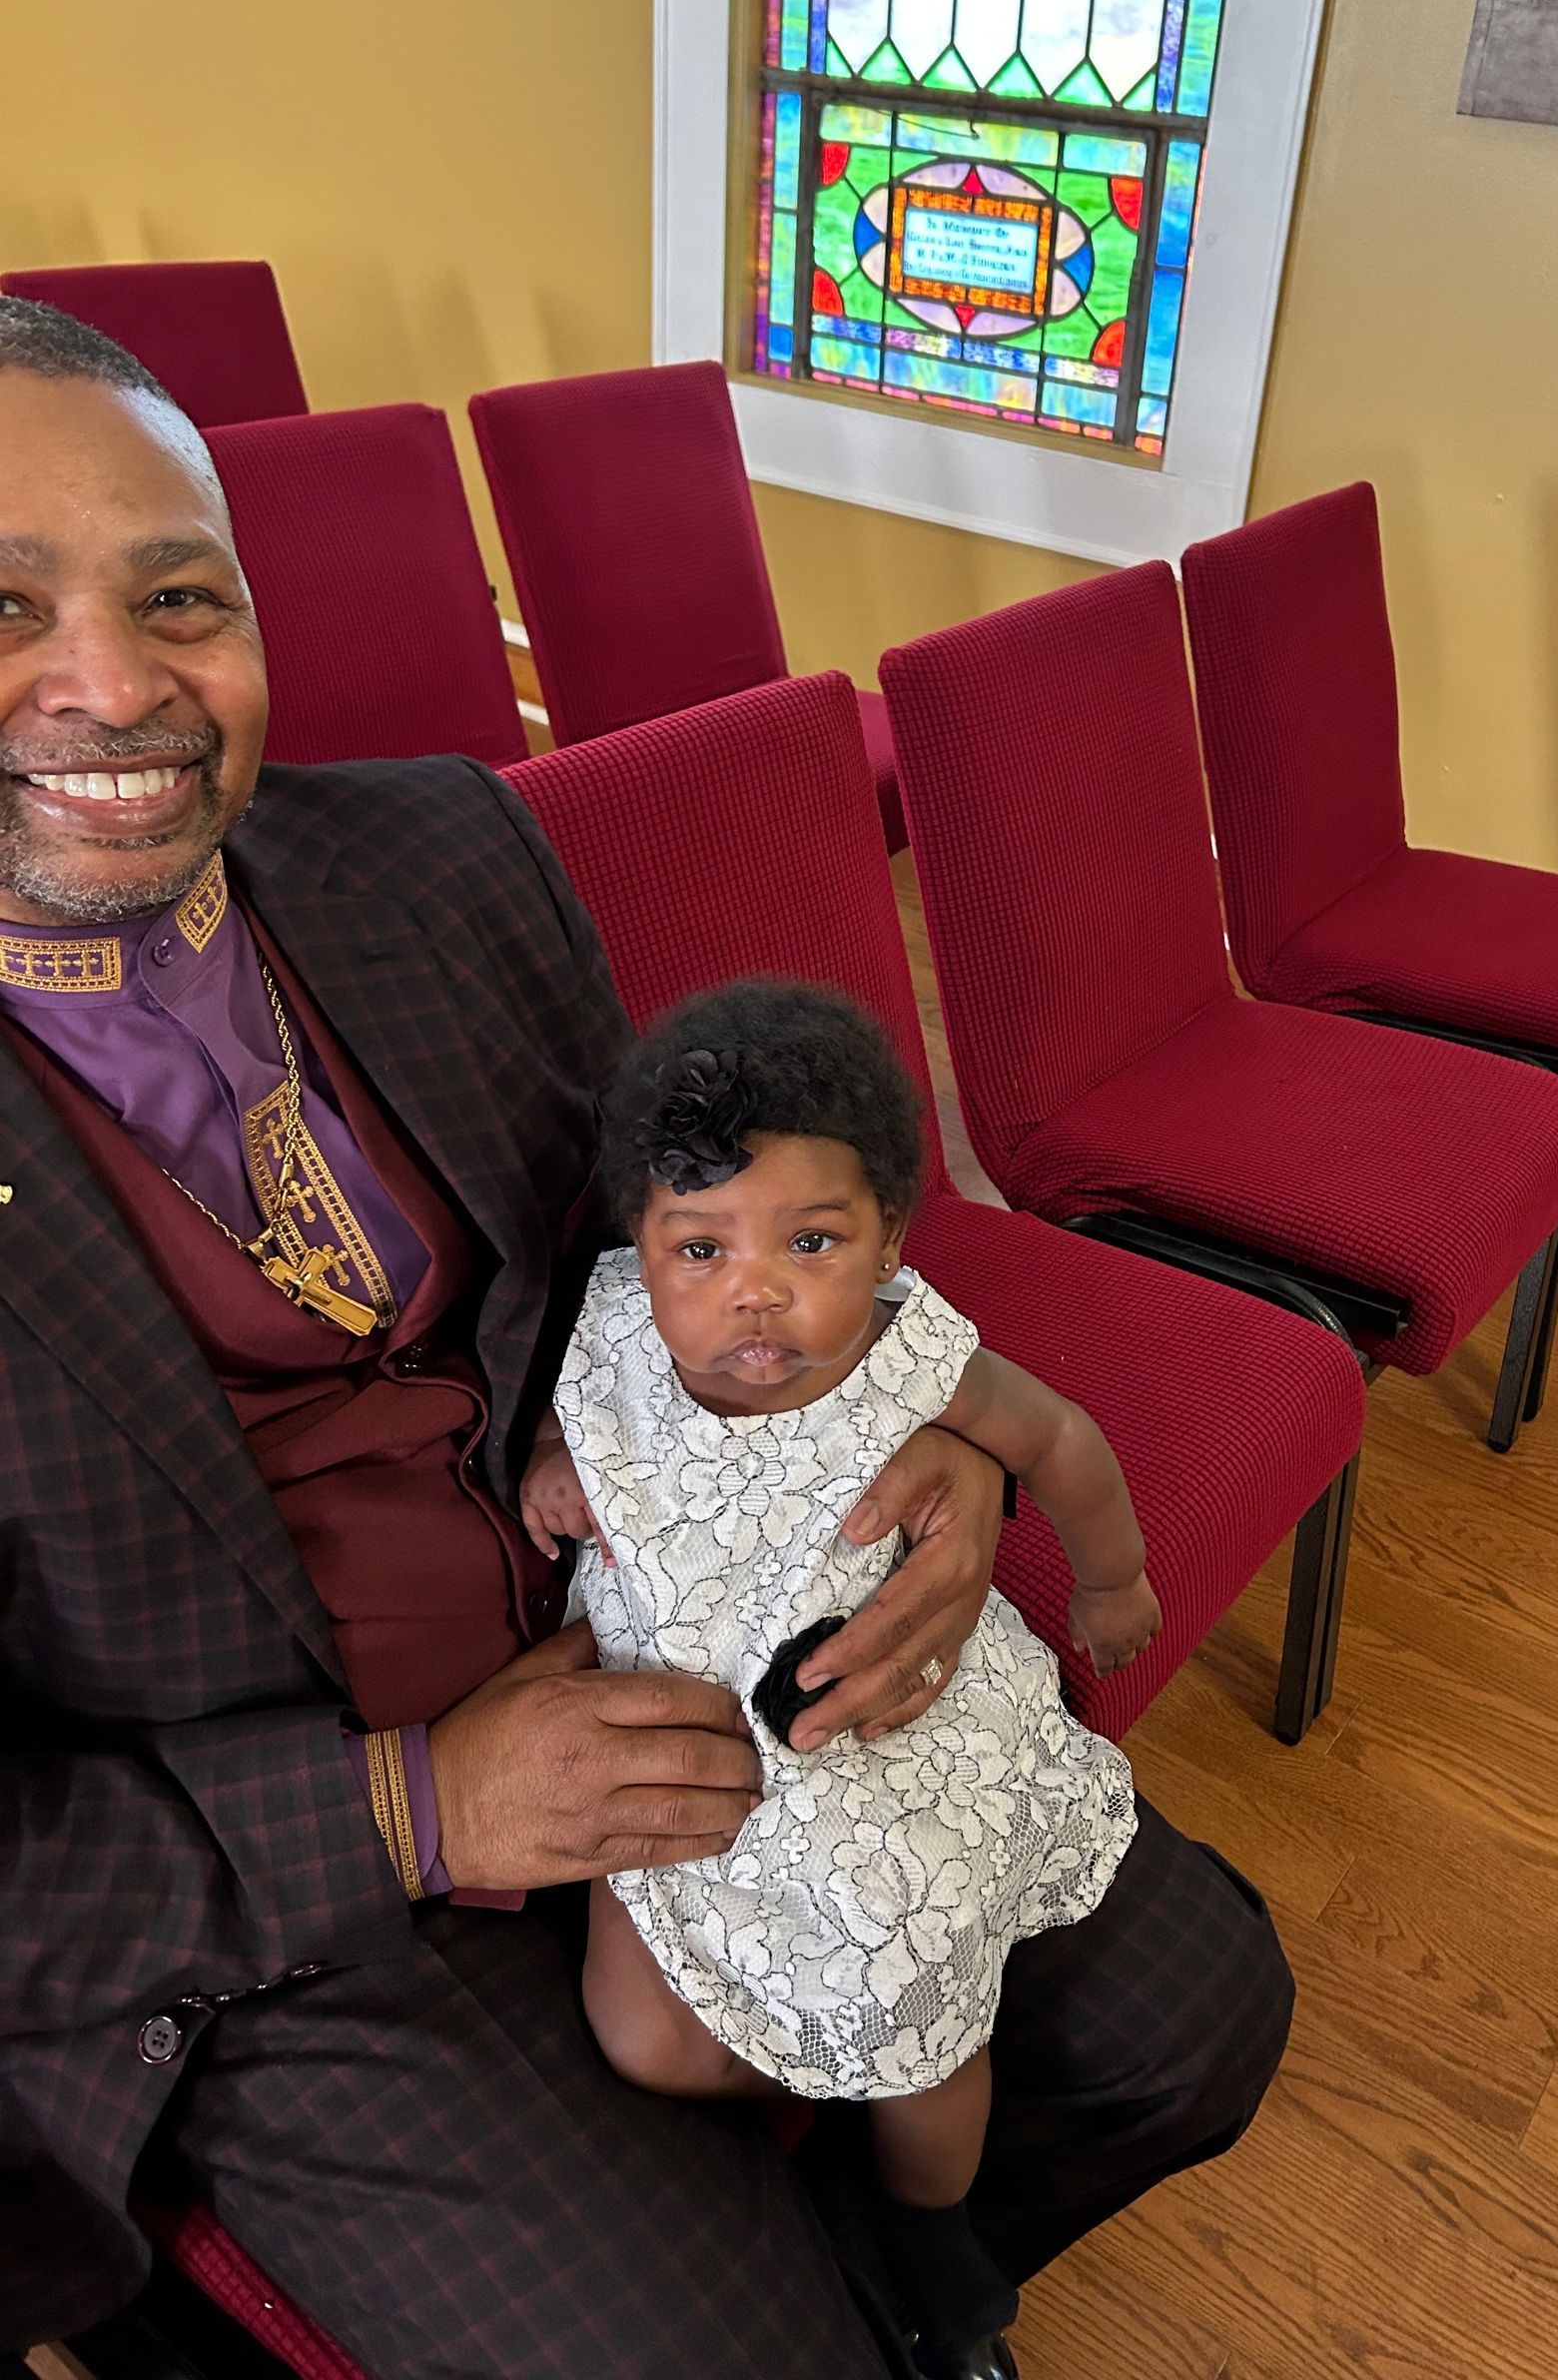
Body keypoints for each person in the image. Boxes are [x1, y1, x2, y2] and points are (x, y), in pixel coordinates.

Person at [0, 296, 1296, 2375]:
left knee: (1192, 2017)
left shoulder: (433, 846)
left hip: (681, 1622)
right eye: (7, 605)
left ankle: (884, 2256)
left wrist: (928, 1429)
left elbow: (694, 1236)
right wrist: (416, 1807)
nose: (111, 682)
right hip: (283, 1878)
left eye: (182, 595)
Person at [520, 979, 1164, 2380]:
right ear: (643, 1239)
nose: (754, 1290)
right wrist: (554, 1465)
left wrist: (1108, 1577)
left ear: (886, 1242)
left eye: (811, 1240)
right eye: (703, 1248)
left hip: (869, 1756)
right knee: (644, 2045)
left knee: (918, 2041)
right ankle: (806, 2104)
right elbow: (579, 1415)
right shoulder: (615, 1321)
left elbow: (1061, 1440)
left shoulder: (899, 1362)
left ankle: (928, 2224)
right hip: (685, 1751)